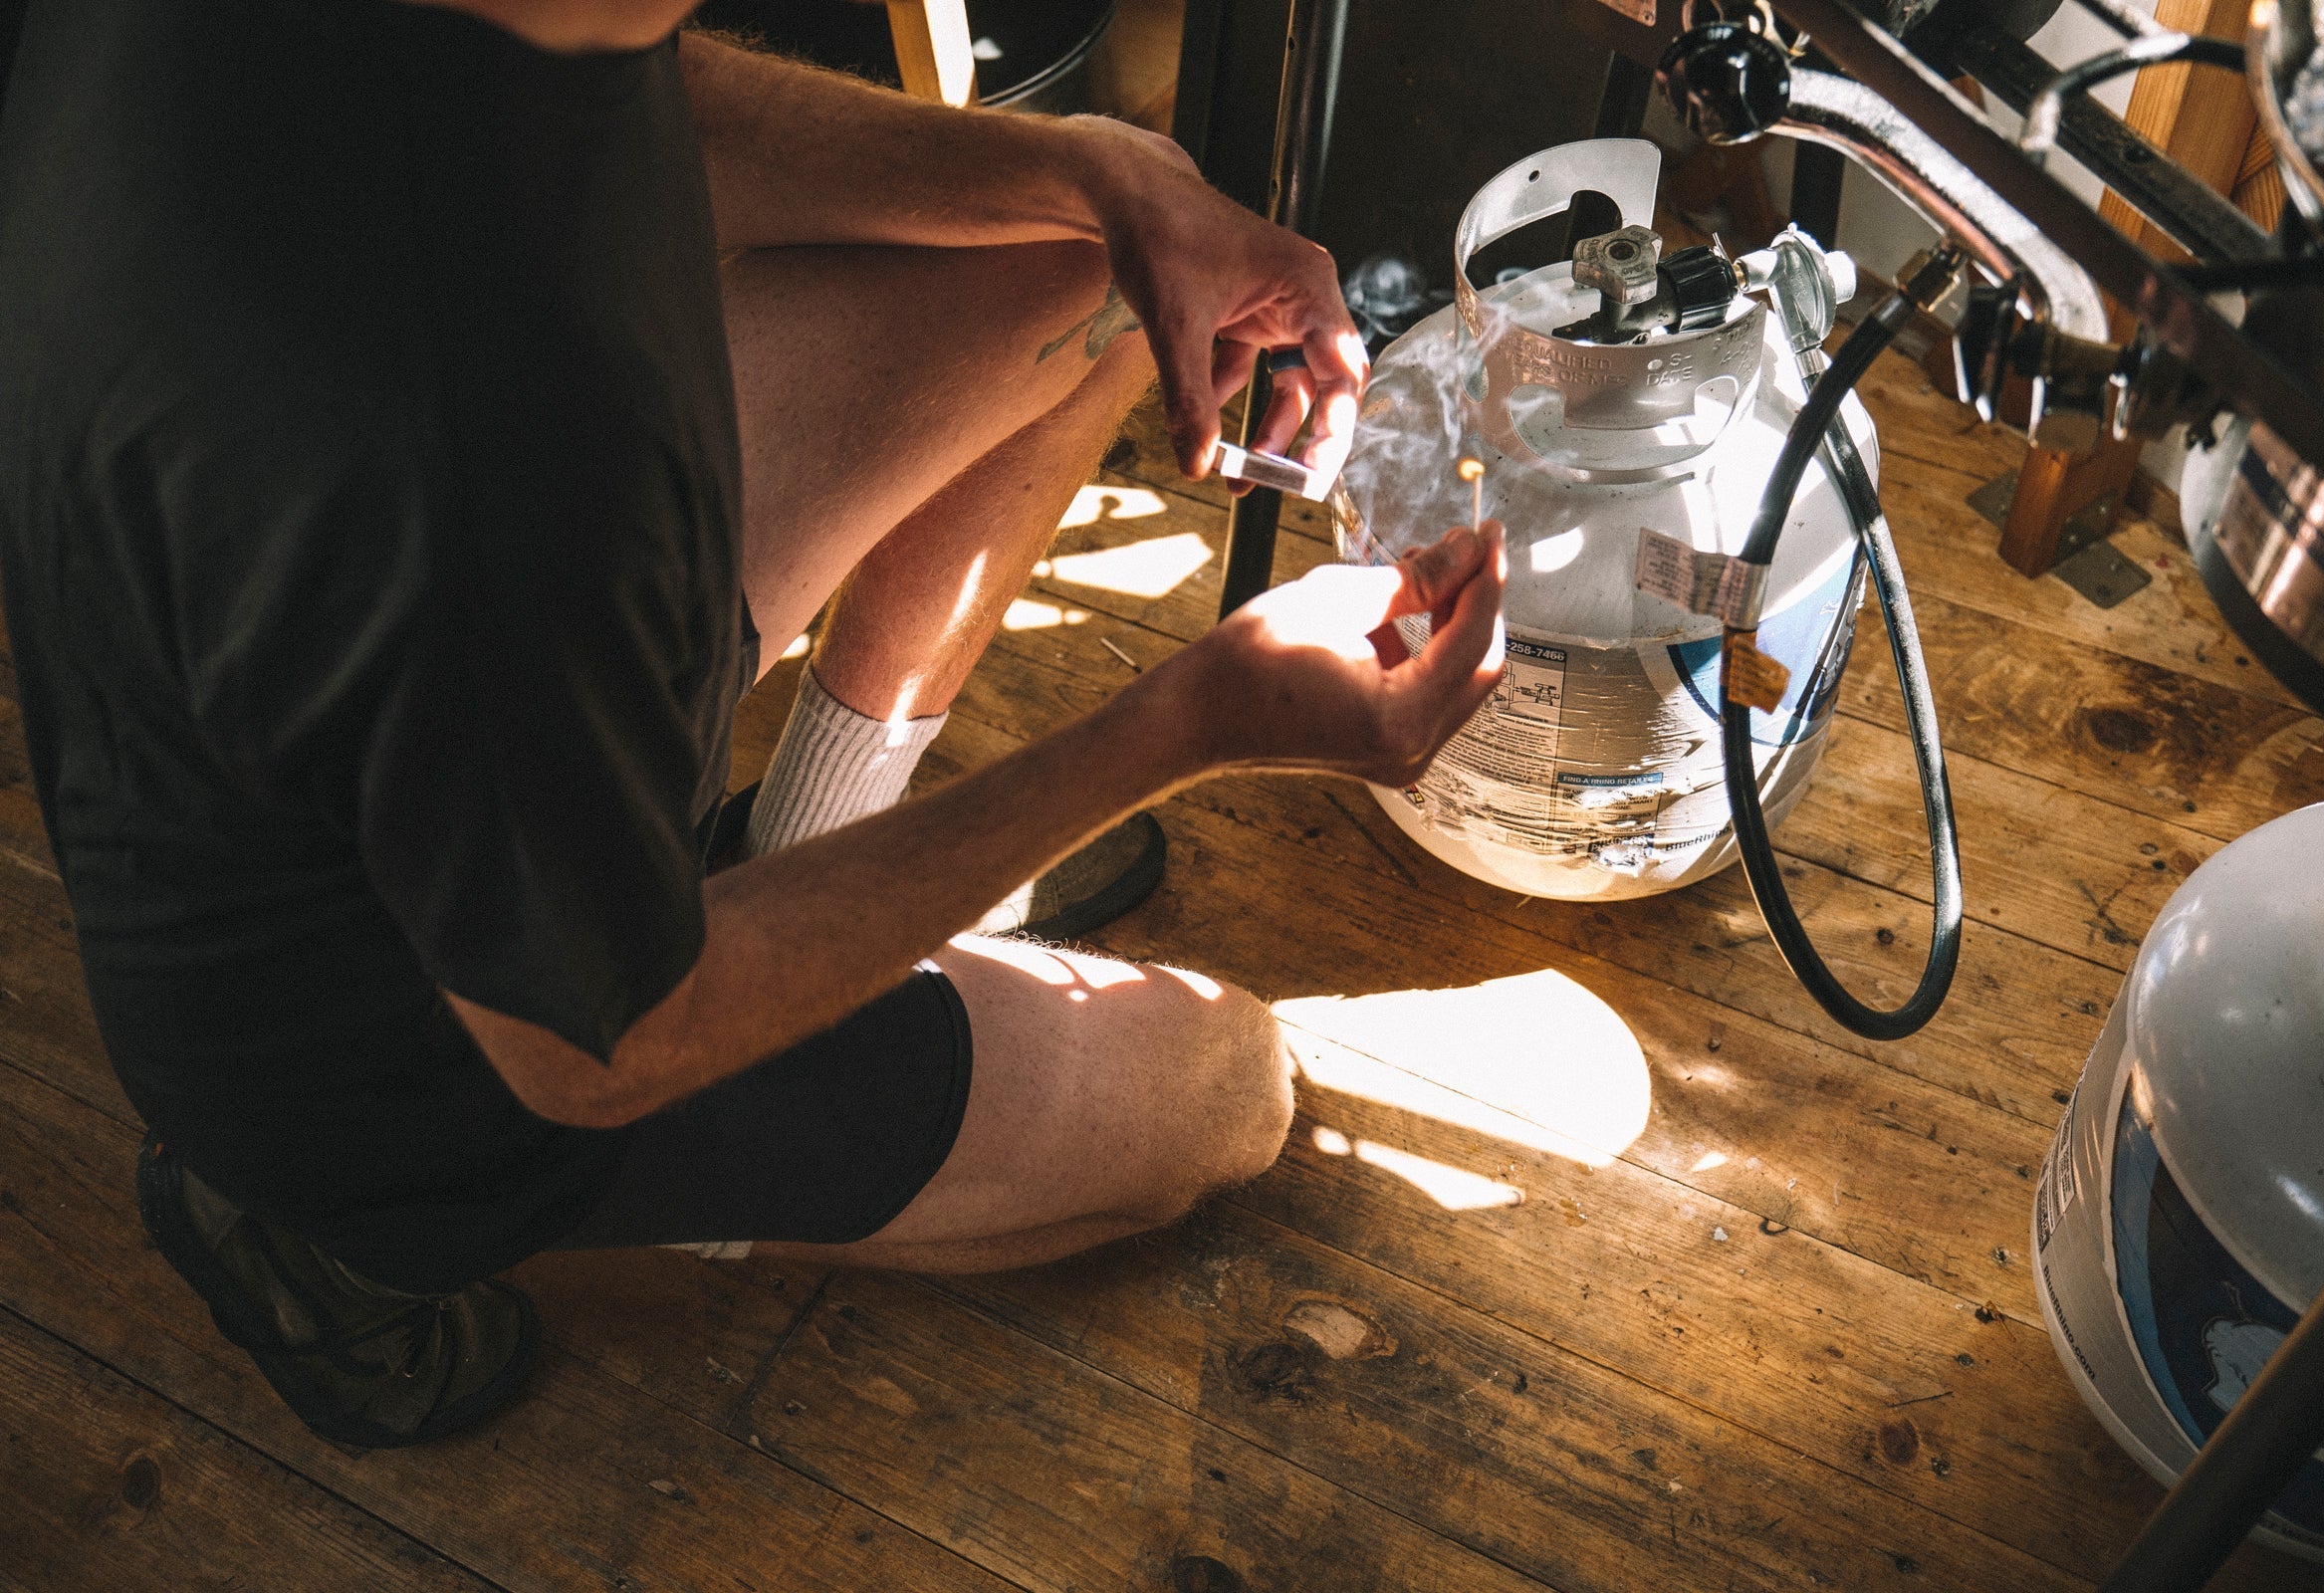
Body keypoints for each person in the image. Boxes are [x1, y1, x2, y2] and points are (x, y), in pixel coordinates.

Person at [0, 0, 1505, 1450]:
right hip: (410, 1042)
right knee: (1225, 1095)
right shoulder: (480, 470)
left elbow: (659, 98)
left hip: (392, 705)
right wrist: (1190, 717)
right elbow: (604, 1044)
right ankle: (331, 1243)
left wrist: (1090, 172)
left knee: (1111, 248)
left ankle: (803, 855)